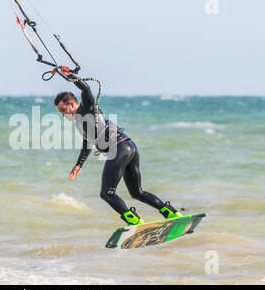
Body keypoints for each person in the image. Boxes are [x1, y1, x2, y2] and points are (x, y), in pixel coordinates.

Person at [54, 66, 183, 225]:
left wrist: (71, 75)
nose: (62, 114)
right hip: (129, 146)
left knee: (106, 193)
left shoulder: (86, 108)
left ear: (72, 104)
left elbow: (86, 89)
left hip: (119, 149)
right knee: (137, 192)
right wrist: (79, 165)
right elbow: (88, 142)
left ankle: (134, 222)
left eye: (62, 109)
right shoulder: (81, 122)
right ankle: (171, 213)